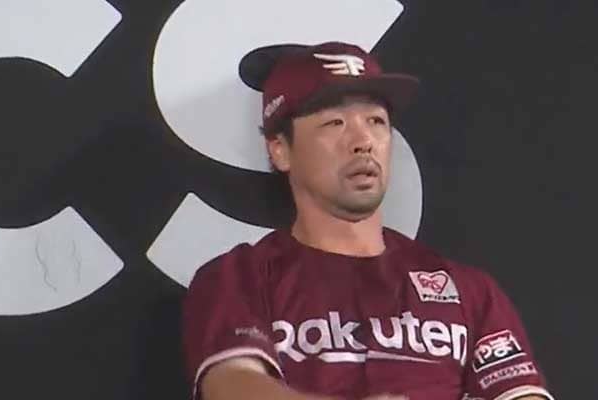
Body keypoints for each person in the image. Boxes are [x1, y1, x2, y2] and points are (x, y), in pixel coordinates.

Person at [181, 41, 554, 400]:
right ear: (280, 150)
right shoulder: (239, 277)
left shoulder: (469, 290)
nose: (364, 141)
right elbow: (233, 386)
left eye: (376, 120)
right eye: (335, 123)